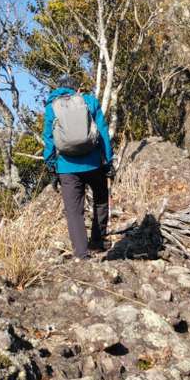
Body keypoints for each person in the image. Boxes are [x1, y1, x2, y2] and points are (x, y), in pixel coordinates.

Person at [43, 75, 115, 259]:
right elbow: (103, 132)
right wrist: (108, 161)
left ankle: (82, 255)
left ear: (59, 88)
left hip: (66, 168)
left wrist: (51, 166)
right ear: (77, 89)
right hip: (93, 163)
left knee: (74, 211)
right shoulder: (89, 101)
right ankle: (97, 242)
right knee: (100, 199)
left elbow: (49, 139)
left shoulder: (52, 107)